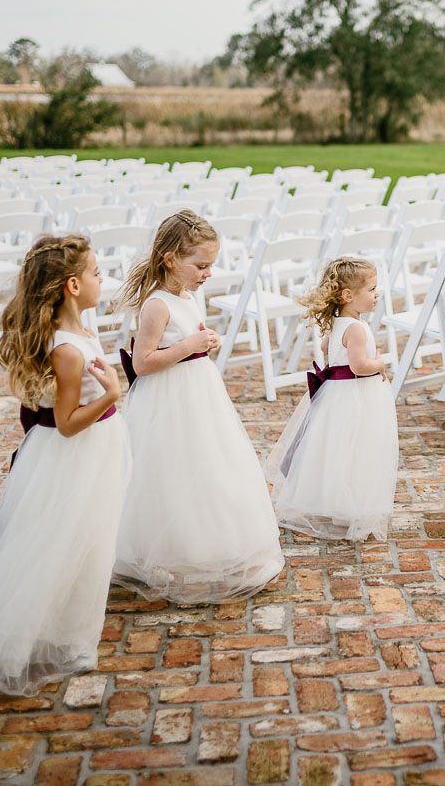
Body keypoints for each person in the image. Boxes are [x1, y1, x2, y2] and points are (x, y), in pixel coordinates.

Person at [0, 234, 131, 696]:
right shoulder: (66, 348)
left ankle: (70, 629)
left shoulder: (82, 330)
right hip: (72, 454)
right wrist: (110, 395)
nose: (102, 279)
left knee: (90, 540)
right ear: (72, 285)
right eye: (96, 273)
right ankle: (44, 638)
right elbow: (64, 423)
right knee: (59, 541)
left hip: (95, 450)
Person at [111, 210, 284, 602]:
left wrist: (205, 339)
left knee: (209, 463)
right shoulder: (157, 305)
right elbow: (142, 363)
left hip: (198, 392)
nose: (208, 273)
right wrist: (189, 346)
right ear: (170, 258)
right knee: (170, 469)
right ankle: (164, 551)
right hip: (168, 399)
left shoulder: (185, 296)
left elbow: (187, 340)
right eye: (201, 265)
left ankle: (211, 545)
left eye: (211, 265)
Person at [266, 257, 400, 541]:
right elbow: (359, 366)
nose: (378, 294)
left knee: (336, 448)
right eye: (372, 289)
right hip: (357, 394)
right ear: (348, 296)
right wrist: (381, 364)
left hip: (337, 396)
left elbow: (328, 348)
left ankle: (336, 501)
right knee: (358, 448)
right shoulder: (356, 328)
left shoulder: (339, 325)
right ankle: (350, 504)